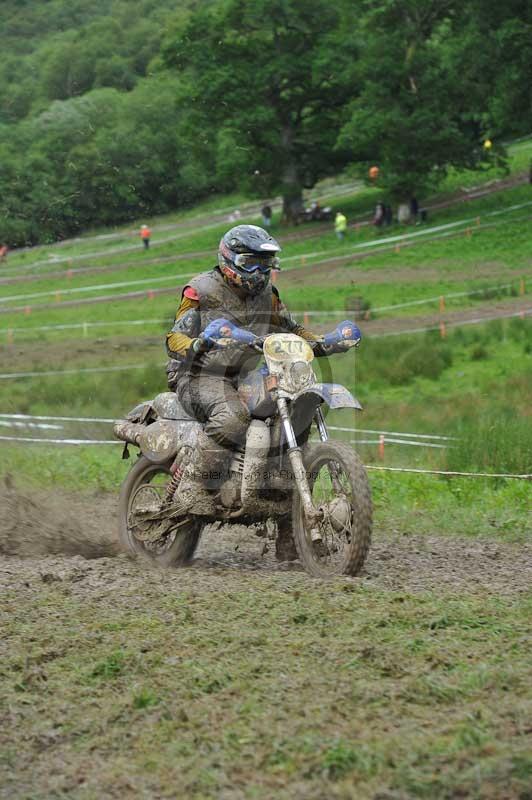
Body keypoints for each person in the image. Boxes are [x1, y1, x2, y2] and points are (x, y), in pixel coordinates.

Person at [165, 224, 360, 554]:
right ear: (232, 259)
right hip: (197, 374)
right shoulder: (199, 290)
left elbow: (292, 329)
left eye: (266, 263)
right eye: (252, 262)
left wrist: (326, 342)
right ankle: (196, 486)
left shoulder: (267, 296)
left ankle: (291, 531)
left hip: (243, 375)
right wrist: (199, 342)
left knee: (291, 418)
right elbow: (173, 339)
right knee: (232, 417)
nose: (260, 271)